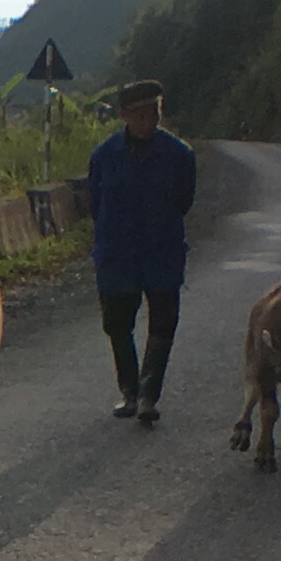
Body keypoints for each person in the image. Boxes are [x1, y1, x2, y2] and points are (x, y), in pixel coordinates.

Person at [86, 78, 196, 426]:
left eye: (154, 113)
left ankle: (149, 395)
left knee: (163, 325)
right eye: (140, 115)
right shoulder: (104, 156)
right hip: (117, 254)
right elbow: (94, 203)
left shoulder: (180, 156)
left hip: (162, 252)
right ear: (124, 116)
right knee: (117, 325)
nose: (148, 121)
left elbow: (184, 202)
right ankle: (129, 391)